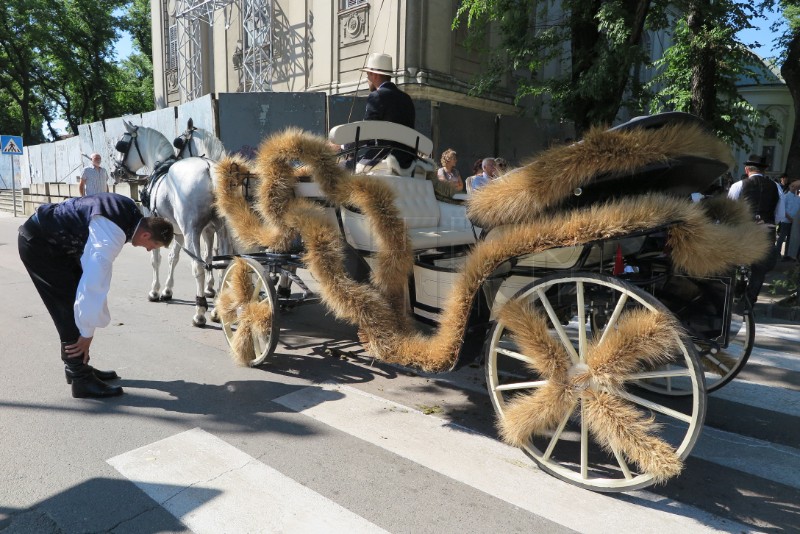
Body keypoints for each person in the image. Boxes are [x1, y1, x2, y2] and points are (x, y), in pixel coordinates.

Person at [18, 193, 174, 399]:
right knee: (67, 307)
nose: (149, 250)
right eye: (153, 246)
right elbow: (94, 284)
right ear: (146, 235)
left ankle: (76, 366)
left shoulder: (130, 211)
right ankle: (80, 379)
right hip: (40, 245)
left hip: (54, 242)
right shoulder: (111, 234)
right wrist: (86, 334)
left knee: (75, 304)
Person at [728, 154, 784, 305]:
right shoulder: (776, 186)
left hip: (744, 230)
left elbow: (730, 211)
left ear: (747, 169)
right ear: (764, 170)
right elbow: (780, 214)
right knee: (759, 268)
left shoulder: (738, 186)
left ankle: (737, 290)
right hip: (766, 231)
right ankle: (750, 301)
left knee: (737, 261)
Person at [356, 53, 416, 169]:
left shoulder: (377, 96)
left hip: (383, 157)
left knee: (343, 166)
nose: (367, 79)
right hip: (408, 161)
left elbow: (365, 132)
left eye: (368, 74)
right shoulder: (407, 99)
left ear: (375, 75)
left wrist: (343, 146)